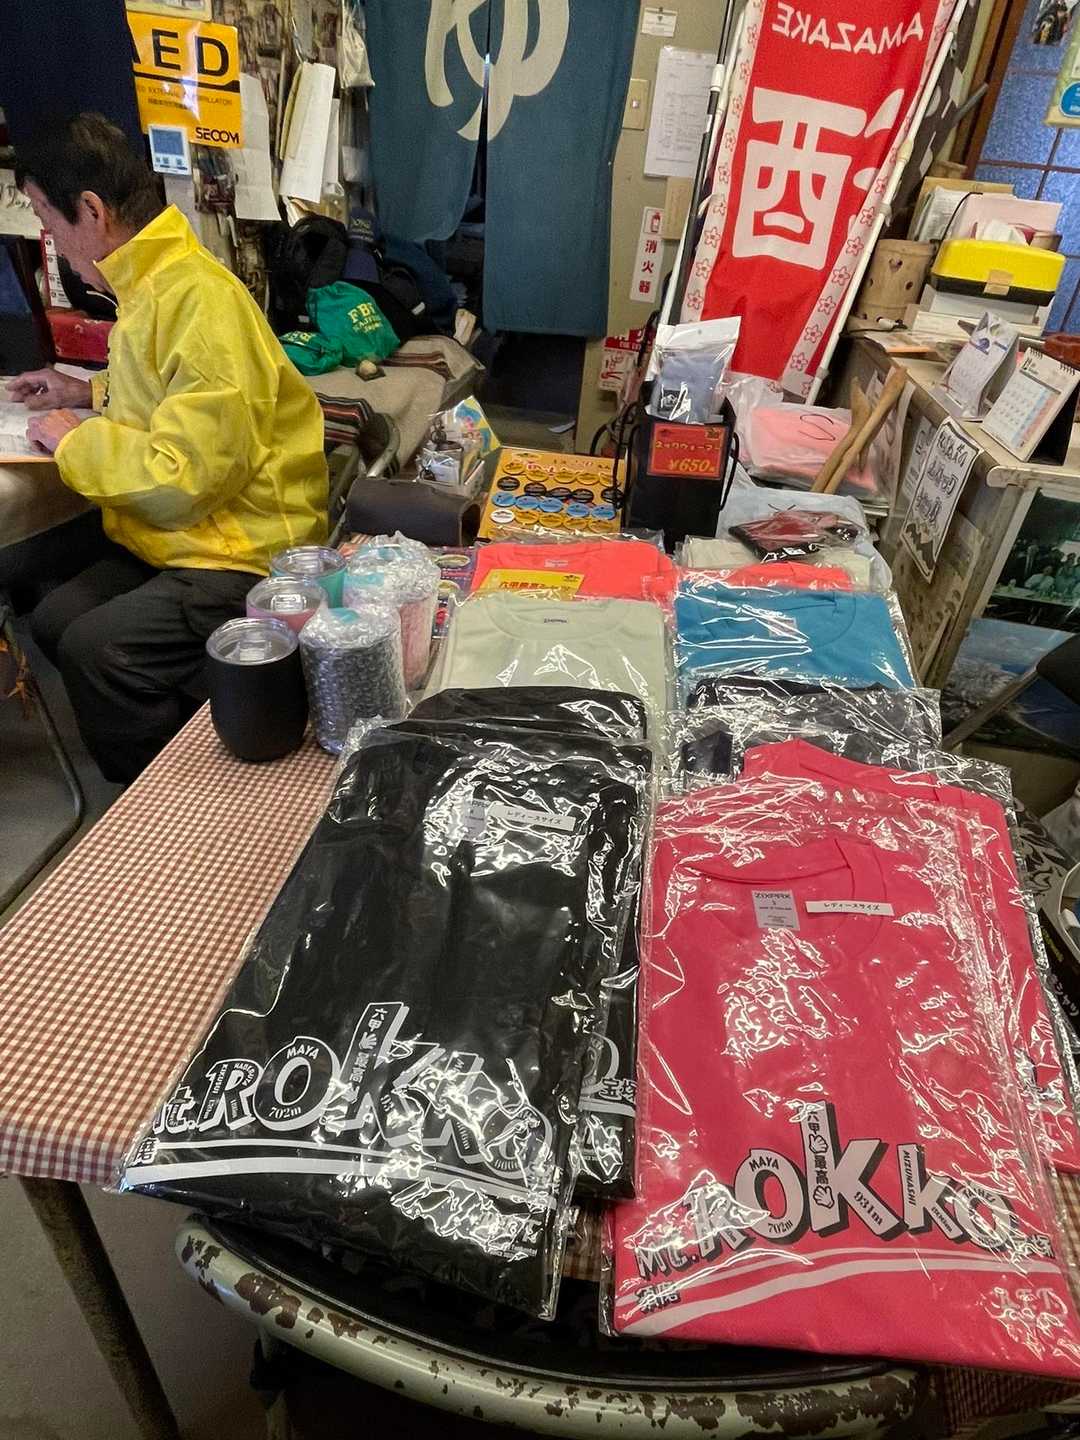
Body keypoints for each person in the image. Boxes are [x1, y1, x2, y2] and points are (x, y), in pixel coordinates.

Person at [7, 114, 328, 783]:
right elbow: (167, 396)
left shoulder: (196, 299)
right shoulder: (152, 285)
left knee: (97, 649)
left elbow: (185, 480)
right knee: (57, 618)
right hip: (188, 537)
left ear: (91, 210)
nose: (48, 237)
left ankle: (175, 795)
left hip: (242, 550)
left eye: (45, 215)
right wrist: (84, 393)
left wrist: (76, 441)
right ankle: (188, 718)